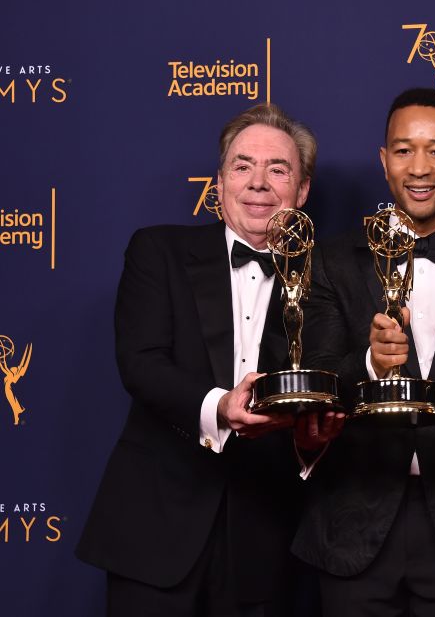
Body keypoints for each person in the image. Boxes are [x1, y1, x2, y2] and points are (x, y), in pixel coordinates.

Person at [76, 103, 335, 616]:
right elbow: (141, 362)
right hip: (153, 532)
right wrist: (220, 407)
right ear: (219, 184)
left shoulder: (327, 279)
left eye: (278, 169)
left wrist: (312, 442)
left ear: (302, 191)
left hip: (265, 539)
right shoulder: (158, 251)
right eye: (243, 166)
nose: (258, 183)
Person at [291, 88, 435, 617]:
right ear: (383, 161)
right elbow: (314, 380)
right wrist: (370, 364)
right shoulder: (329, 260)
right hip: (352, 532)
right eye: (403, 150)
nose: (420, 168)